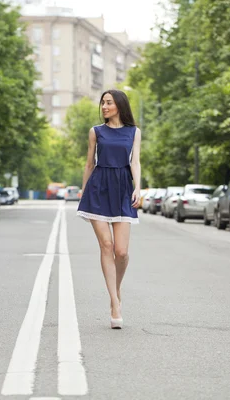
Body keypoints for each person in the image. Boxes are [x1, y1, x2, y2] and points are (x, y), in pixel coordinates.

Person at [76, 89, 141, 329]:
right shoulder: (96, 132)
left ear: (119, 105)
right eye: (102, 103)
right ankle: (114, 302)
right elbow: (89, 162)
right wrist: (84, 191)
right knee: (107, 246)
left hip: (123, 188)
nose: (104, 107)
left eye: (108, 103)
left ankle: (116, 289)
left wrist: (138, 187)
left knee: (122, 252)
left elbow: (135, 161)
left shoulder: (134, 132)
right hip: (99, 189)